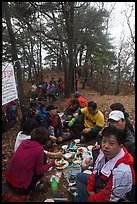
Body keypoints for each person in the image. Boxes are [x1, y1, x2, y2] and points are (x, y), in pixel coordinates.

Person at [74, 126, 135, 202]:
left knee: (78, 198)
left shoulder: (122, 171)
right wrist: (90, 190)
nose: (106, 146)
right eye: (104, 141)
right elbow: (95, 171)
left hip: (115, 197)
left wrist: (92, 198)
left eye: (111, 143)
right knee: (79, 176)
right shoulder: (105, 154)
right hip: (102, 183)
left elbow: (108, 196)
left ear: (120, 146)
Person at [5, 127, 56, 195]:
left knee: (42, 156)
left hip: (8, 180)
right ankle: (34, 186)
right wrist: (52, 163)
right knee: (43, 157)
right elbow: (39, 171)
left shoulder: (24, 142)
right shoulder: (39, 149)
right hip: (20, 188)